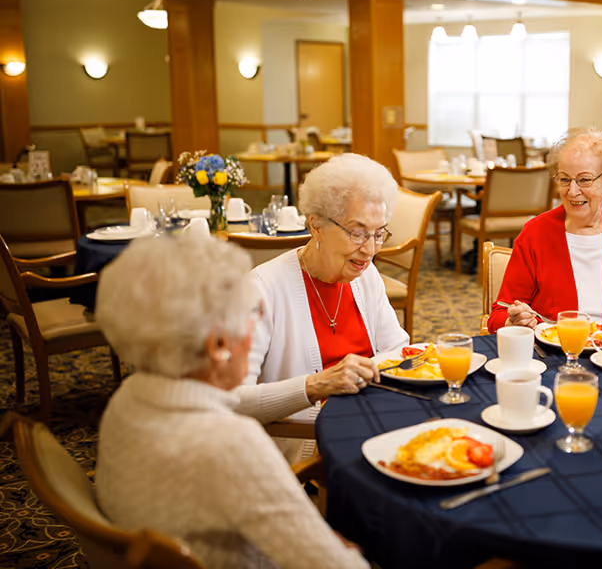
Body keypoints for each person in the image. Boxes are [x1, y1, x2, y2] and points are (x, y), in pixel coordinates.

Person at [95, 236, 368, 569]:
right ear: (218, 345)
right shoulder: (231, 444)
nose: (255, 330)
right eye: (251, 315)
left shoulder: (127, 399)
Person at [247, 154, 407, 425]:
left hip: (373, 420)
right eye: (357, 233)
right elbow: (230, 400)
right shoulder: (263, 289)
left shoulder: (365, 275)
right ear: (316, 225)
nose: (369, 250)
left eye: (379, 234)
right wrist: (314, 386)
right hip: (309, 445)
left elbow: (397, 349)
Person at [488, 129, 602, 333]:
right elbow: (500, 313)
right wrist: (513, 321)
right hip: (552, 357)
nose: (572, 191)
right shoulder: (536, 232)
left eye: (584, 180)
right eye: (564, 179)